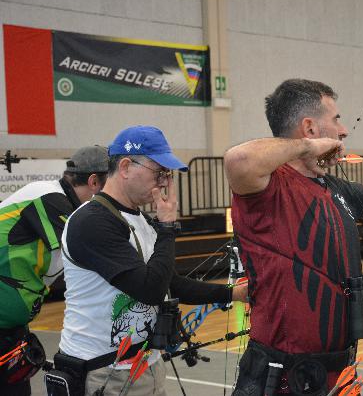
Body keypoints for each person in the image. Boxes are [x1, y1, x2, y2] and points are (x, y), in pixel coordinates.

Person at [224, 78, 363, 395]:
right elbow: (238, 160)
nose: (343, 130)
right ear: (310, 128)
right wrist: (308, 147)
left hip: (336, 373)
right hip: (281, 377)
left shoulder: (333, 189)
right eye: (335, 119)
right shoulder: (269, 187)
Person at [56, 126, 247, 396]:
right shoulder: (92, 222)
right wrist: (167, 226)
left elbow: (171, 283)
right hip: (105, 372)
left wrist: (234, 293)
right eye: (159, 173)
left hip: (144, 364)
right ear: (125, 167)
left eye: (167, 175)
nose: (165, 183)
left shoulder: (140, 220)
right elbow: (150, 290)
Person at [0, 146, 108, 395]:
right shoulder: (49, 197)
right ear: (94, 182)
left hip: (11, 328)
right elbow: (96, 252)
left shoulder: (61, 201)